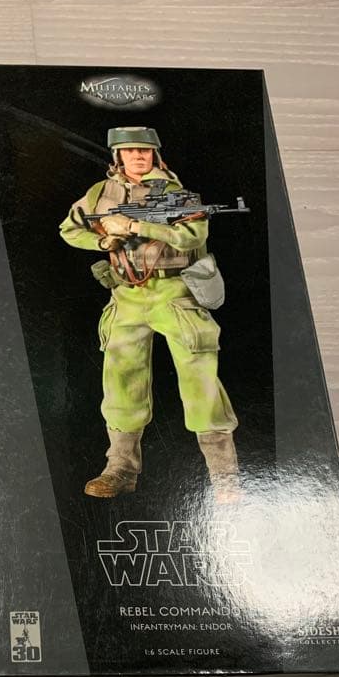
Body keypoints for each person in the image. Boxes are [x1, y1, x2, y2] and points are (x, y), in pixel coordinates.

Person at [59, 126, 239, 500]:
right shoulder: (100, 194)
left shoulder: (176, 194)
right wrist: (104, 239)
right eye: (130, 151)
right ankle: (120, 469)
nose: (138, 156)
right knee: (121, 379)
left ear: (155, 155)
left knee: (200, 378)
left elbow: (193, 236)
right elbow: (69, 230)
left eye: (144, 150)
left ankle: (225, 479)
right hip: (127, 294)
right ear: (118, 157)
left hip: (174, 292)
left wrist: (138, 226)